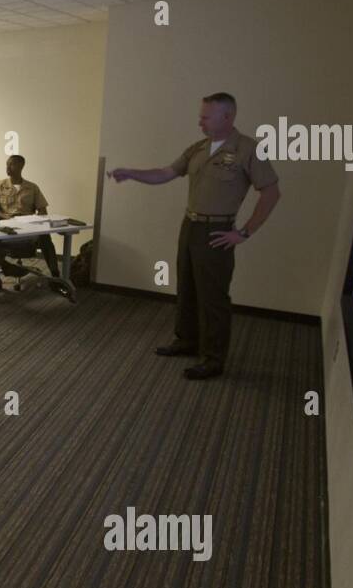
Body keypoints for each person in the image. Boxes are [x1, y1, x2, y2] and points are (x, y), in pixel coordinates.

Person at [108, 92, 281, 380]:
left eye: (205, 116)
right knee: (187, 286)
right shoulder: (198, 148)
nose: (199, 120)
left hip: (217, 230)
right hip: (190, 225)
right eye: (200, 115)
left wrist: (244, 232)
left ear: (227, 117)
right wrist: (131, 173)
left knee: (213, 296)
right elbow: (166, 172)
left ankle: (213, 358)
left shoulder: (249, 149)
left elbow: (272, 192)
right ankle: (187, 340)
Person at [0, 154, 62, 292]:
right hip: (6, 228)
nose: (7, 167)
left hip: (27, 229)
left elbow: (42, 210)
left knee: (45, 238)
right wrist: (5, 219)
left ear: (21, 166)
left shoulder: (32, 187)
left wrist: (36, 221)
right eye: (7, 164)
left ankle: (55, 277)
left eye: (11, 164)